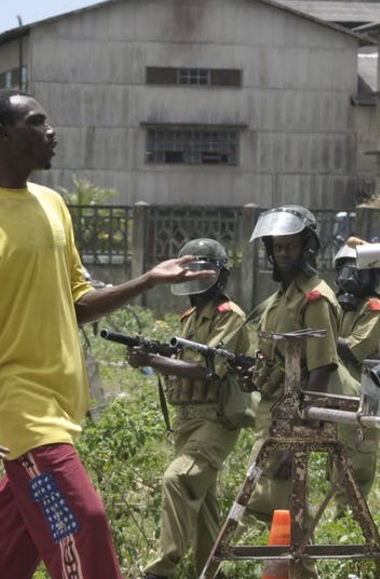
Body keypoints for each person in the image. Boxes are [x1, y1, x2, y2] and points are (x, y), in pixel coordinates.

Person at [0, 88, 215, 579]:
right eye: (37, 123)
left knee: (11, 538)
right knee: (82, 522)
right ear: (3, 135)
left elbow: (77, 302)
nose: (51, 131)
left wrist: (148, 279)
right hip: (19, 407)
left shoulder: (53, 205)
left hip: (60, 403)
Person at [243, 205, 358, 576]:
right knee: (270, 501)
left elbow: (321, 367)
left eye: (291, 247)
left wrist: (299, 434)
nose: (284, 254)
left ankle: (290, 570)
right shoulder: (279, 298)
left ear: (307, 248)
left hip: (295, 417)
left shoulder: (315, 299)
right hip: (273, 413)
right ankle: (281, 569)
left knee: (282, 503)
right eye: (278, 248)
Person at [134, 238, 251, 579]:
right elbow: (183, 359)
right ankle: (210, 572)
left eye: (203, 273)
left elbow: (207, 368)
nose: (195, 280)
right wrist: (153, 356)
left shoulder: (231, 318)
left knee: (178, 480)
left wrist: (154, 359)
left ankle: (161, 569)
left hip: (216, 420)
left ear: (219, 277)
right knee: (202, 508)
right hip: (187, 421)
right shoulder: (191, 317)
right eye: (190, 273)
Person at [330, 244, 380, 512]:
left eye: (361, 272)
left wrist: (321, 333)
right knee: (336, 464)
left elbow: (355, 349)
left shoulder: (374, 309)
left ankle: (352, 528)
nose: (352, 278)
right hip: (339, 395)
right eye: (347, 270)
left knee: (356, 466)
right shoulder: (337, 307)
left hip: (366, 397)